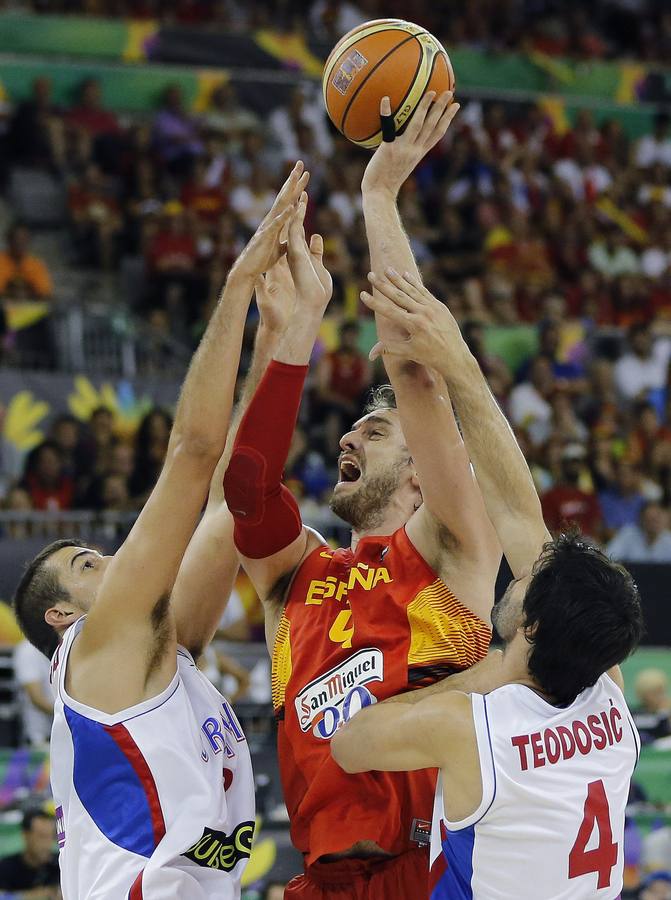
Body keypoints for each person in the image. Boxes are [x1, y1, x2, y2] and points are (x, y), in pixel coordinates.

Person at [223, 93, 502, 898]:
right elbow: (247, 487)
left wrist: (378, 198)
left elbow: (414, 369)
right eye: (350, 431)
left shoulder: (450, 552)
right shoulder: (295, 575)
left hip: (425, 870)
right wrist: (295, 327)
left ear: (422, 473)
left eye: (373, 433)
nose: (345, 438)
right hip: (317, 878)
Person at [11, 162, 310, 900]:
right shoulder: (97, 647)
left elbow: (224, 502)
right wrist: (235, 289)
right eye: (86, 563)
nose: (110, 558)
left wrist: (275, 337)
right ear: (63, 615)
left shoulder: (159, 661)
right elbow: (193, 453)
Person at [332, 269, 643, 900]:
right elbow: (521, 514)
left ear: (531, 628)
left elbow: (347, 744)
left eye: (536, 579)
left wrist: (485, 673)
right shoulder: (609, 701)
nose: (525, 568)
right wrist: (459, 365)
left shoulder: (477, 725)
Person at [0, 809, 60, 898]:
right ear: (25, 835)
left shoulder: (60, 864)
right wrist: (39, 895)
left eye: (50, 836)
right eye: (41, 836)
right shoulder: (6, 868)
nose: (47, 844)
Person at [13, 638, 53, 745]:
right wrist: (73, 716)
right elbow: (37, 699)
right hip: (41, 738)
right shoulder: (28, 650)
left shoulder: (65, 647)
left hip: (67, 733)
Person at [631, 668, 671, 745]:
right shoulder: (636, 715)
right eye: (655, 693)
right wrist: (663, 714)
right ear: (643, 695)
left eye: (662, 692)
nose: (661, 697)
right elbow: (657, 727)